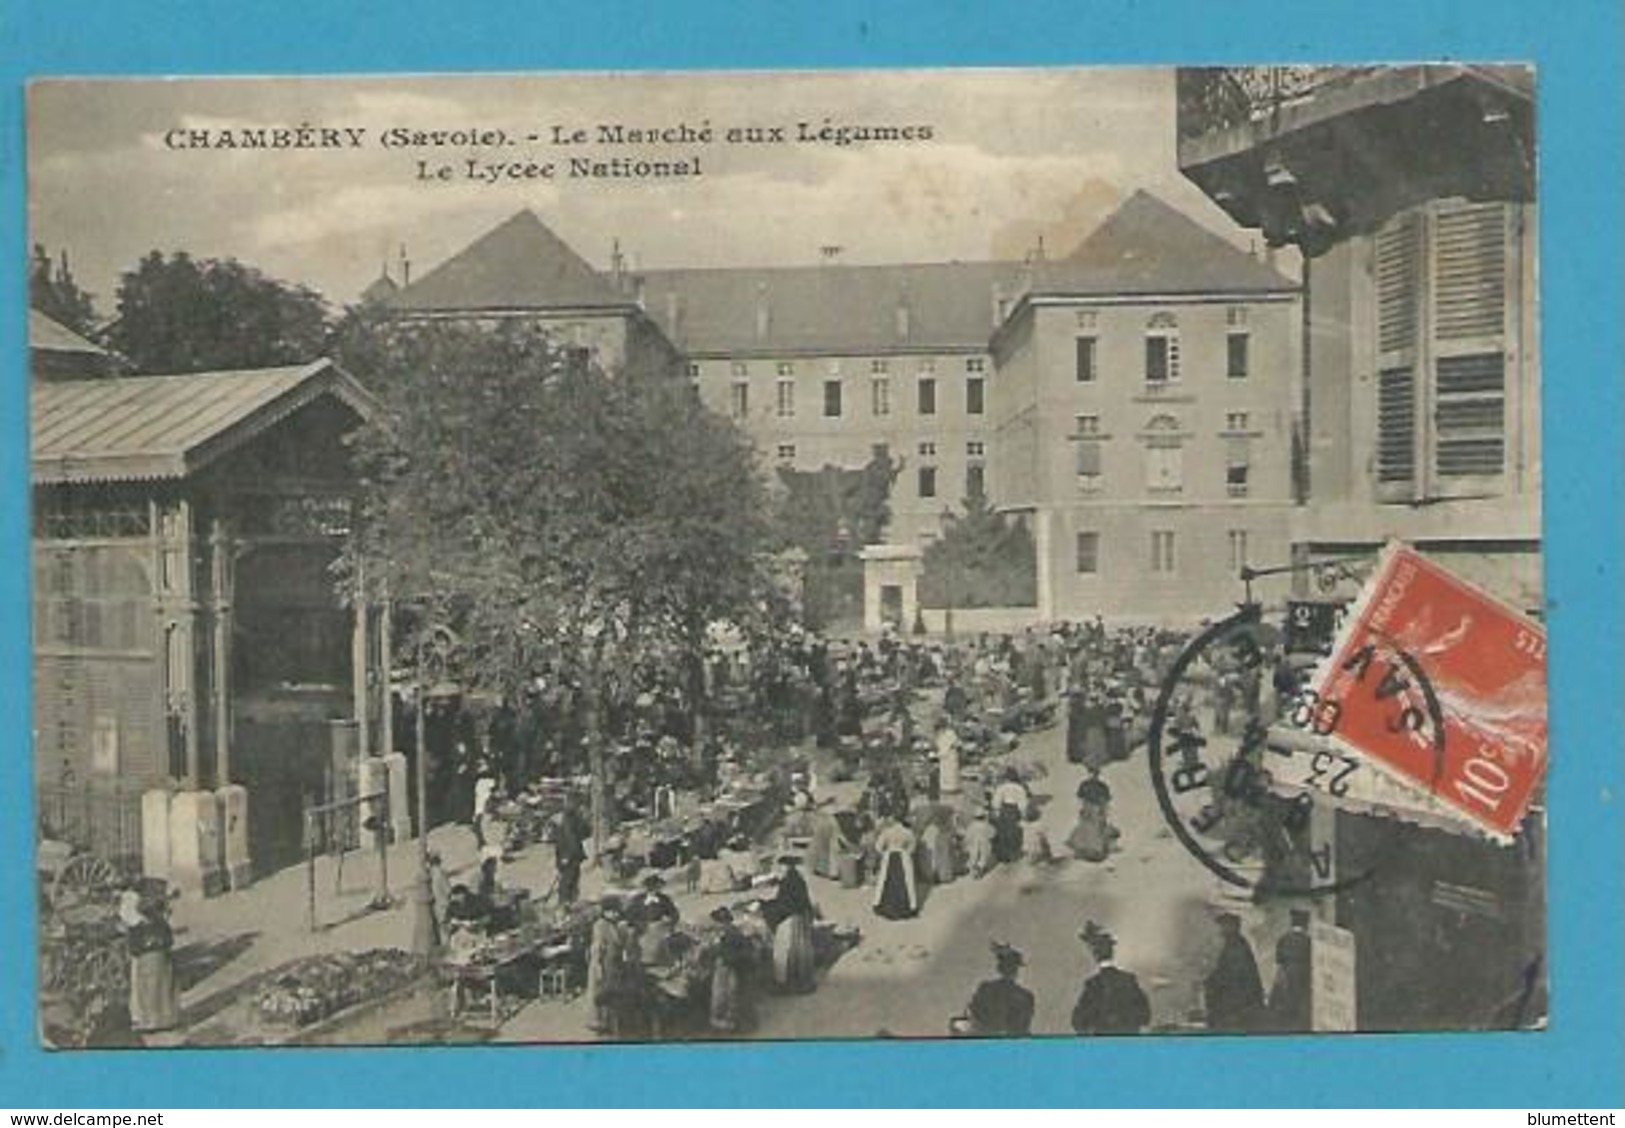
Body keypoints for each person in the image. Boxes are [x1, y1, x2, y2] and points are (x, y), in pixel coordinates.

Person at [1071, 922, 1151, 1035]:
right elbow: (1145, 1016)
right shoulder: (1129, 981)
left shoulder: (1093, 986)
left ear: (1095, 954)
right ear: (1112, 952)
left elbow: (1078, 1022)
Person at [122, 886, 179, 1034]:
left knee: (149, 988)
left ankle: (151, 1022)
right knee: (165, 986)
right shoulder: (160, 923)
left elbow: (134, 943)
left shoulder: (140, 924)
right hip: (160, 952)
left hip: (148, 955)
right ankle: (168, 1018)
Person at [1203, 911, 1266, 1032]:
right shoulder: (1236, 943)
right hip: (1238, 1000)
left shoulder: (1236, 945)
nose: (1220, 930)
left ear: (1232, 927)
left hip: (1238, 1003)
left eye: (1223, 926)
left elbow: (1231, 973)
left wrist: (1212, 981)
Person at [762, 855, 817, 993]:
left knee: (785, 951)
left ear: (786, 867)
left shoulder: (789, 882)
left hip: (791, 919)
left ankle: (786, 984)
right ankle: (801, 983)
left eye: (780, 867)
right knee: (799, 954)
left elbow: (785, 904)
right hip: (799, 917)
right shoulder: (797, 879)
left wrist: (765, 906)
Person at [960, 943, 1036, 1037]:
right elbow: (1024, 1026)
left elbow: (973, 1014)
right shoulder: (1026, 996)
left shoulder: (985, 988)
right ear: (1016, 971)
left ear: (999, 968)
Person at [707, 906, 756, 1035]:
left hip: (730, 967)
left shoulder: (728, 934)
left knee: (725, 995)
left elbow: (724, 953)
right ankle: (732, 1023)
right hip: (735, 966)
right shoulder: (734, 931)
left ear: (721, 922)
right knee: (729, 995)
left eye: (717, 922)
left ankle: (727, 1024)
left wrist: (716, 950)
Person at [587, 898, 628, 1036]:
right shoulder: (600, 925)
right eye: (614, 912)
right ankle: (598, 1023)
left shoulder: (612, 924)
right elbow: (597, 947)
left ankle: (607, 1022)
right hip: (602, 962)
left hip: (611, 963)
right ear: (607, 912)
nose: (617, 915)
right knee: (600, 993)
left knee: (609, 993)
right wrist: (598, 967)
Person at [1269, 908, 1314, 1032]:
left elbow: (1278, 964)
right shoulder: (1309, 941)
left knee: (1286, 1001)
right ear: (1306, 923)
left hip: (1287, 974)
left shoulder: (1283, 939)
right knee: (1302, 1003)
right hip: (1304, 974)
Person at [872, 818, 920, 920]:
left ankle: (882, 906)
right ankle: (910, 907)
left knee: (885, 880)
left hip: (889, 855)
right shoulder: (907, 832)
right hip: (903, 855)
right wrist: (906, 853)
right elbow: (913, 846)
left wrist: (884, 853)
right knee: (906, 882)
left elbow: (877, 847)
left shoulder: (887, 831)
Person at [991, 767, 1029, 865]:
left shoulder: (1001, 787)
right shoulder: (1019, 788)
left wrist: (996, 811)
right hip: (1014, 810)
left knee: (1003, 832)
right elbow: (1023, 802)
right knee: (1014, 833)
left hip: (1004, 810)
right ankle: (1014, 854)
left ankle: (1004, 855)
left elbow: (996, 801)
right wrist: (1023, 814)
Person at [553, 807, 587, 906]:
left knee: (569, 880)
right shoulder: (570, 823)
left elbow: (572, 842)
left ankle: (567, 903)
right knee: (570, 880)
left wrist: (566, 857)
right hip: (570, 857)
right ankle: (568, 902)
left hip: (569, 858)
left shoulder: (568, 824)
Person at [964, 808, 998, 878]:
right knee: (983, 856)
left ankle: (974, 869)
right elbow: (993, 833)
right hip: (984, 843)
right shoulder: (986, 825)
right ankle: (980, 868)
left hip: (974, 844)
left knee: (973, 856)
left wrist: (968, 843)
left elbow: (968, 835)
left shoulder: (971, 825)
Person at [935, 719, 962, 795]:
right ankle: (945, 788)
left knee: (952, 772)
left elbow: (954, 743)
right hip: (944, 757)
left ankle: (953, 788)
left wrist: (943, 752)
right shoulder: (939, 735)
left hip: (951, 755)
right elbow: (940, 745)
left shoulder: (950, 733)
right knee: (944, 772)